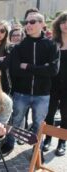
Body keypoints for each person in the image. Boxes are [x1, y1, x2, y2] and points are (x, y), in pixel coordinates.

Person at [4, 12, 60, 154]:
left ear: (42, 24)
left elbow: (53, 70)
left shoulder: (52, 45)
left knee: (38, 125)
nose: (28, 25)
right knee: (15, 121)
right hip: (21, 92)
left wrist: (28, 67)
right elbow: (16, 70)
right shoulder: (19, 47)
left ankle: (37, 151)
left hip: (42, 94)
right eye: (26, 22)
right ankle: (9, 144)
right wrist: (42, 68)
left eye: (32, 22)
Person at [43, 11, 67, 156]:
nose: (66, 25)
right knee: (49, 114)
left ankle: (62, 142)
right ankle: (47, 139)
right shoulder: (53, 43)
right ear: (58, 24)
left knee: (66, 115)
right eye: (63, 22)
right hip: (52, 84)